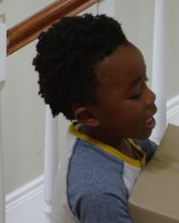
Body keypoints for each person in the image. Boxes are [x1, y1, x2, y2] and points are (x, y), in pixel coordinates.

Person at [32, 14, 158, 223]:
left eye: (145, 82)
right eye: (136, 93)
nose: (151, 96)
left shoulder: (123, 137)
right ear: (88, 116)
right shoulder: (99, 192)